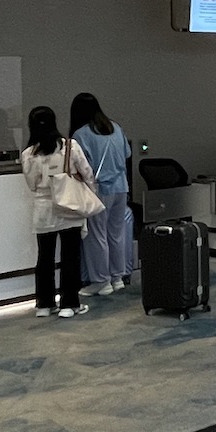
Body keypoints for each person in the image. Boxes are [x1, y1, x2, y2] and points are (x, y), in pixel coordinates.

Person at [22, 106, 93, 318]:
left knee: (44, 257)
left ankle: (44, 304)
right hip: (68, 205)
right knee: (70, 255)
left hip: (43, 209)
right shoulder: (70, 147)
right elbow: (87, 173)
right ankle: (69, 304)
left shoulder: (28, 154)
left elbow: (31, 184)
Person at [70, 92, 131, 297]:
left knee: (96, 236)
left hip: (98, 190)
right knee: (117, 233)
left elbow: (81, 166)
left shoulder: (81, 134)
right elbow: (127, 154)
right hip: (121, 187)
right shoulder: (116, 128)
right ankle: (117, 278)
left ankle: (101, 281)